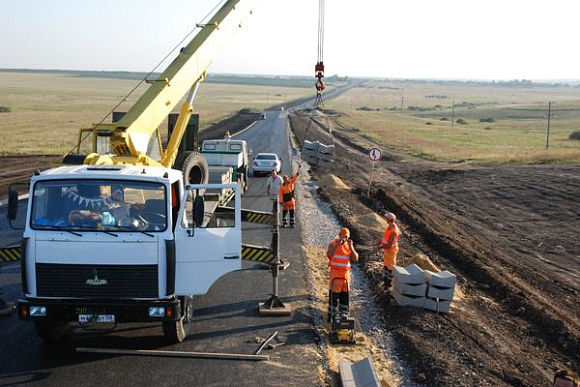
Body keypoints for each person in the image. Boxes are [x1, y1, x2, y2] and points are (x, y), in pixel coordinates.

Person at [327, 227, 359, 321]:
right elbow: (329, 254)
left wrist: (351, 246)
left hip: (345, 275)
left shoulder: (349, 246)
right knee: (334, 296)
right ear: (339, 235)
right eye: (343, 236)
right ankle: (332, 316)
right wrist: (338, 245)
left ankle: (344, 314)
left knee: (345, 296)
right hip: (335, 274)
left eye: (346, 237)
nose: (344, 239)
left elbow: (355, 258)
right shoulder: (333, 244)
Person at [377, 212, 401, 289]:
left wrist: (380, 247)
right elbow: (386, 237)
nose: (385, 219)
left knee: (390, 267)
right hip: (387, 249)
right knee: (386, 265)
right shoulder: (389, 227)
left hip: (391, 250)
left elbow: (390, 245)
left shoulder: (394, 231)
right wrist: (381, 242)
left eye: (386, 218)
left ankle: (389, 284)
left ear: (389, 220)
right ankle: (385, 283)